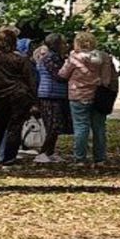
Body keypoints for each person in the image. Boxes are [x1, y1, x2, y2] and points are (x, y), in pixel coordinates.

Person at [0, 27, 37, 168]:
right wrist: (34, 100)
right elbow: (31, 81)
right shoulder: (21, 60)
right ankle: (8, 158)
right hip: (19, 96)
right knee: (14, 128)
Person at [57, 31, 113, 167]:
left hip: (78, 95)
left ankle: (80, 158)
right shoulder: (104, 57)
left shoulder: (74, 58)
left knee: (81, 127)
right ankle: (100, 158)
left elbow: (63, 74)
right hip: (98, 96)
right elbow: (106, 80)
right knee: (99, 128)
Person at [33, 33, 71, 164]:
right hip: (49, 94)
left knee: (56, 125)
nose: (66, 46)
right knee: (52, 125)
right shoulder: (50, 58)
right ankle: (43, 152)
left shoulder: (57, 57)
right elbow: (59, 75)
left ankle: (50, 151)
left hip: (57, 94)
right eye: (63, 43)